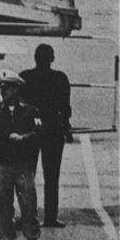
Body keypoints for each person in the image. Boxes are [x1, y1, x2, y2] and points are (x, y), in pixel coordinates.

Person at [0, 70, 43, 240]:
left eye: (7, 87)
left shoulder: (30, 111)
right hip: (2, 165)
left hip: (23, 165)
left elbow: (39, 135)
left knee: (29, 207)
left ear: (16, 89)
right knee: (4, 207)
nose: (3, 91)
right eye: (1, 87)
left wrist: (23, 138)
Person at [20, 44, 72, 228]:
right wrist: (65, 127)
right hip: (53, 132)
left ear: (35, 58)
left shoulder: (25, 77)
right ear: (52, 59)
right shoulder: (60, 78)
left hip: (30, 131)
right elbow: (65, 108)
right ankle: (50, 217)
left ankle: (27, 216)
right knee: (52, 177)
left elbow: (20, 106)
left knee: (26, 176)